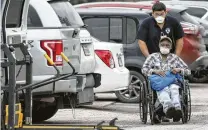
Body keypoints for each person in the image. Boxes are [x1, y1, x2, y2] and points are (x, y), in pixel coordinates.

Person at [141, 36, 191, 123]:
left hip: (173, 80)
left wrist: (179, 70)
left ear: (171, 47)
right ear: (159, 46)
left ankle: (177, 109)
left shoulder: (175, 58)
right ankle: (168, 108)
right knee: (164, 89)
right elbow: (144, 69)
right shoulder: (152, 57)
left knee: (174, 89)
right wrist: (155, 71)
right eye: (163, 45)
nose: (165, 46)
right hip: (160, 81)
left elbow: (188, 71)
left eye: (167, 45)